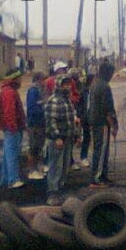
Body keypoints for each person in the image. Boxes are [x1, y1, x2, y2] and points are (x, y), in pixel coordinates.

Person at [44, 74, 78, 204]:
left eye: (68, 84)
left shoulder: (67, 100)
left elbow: (72, 119)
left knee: (65, 165)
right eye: (65, 84)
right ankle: (52, 193)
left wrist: (76, 135)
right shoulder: (53, 101)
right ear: (59, 85)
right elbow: (51, 121)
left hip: (68, 138)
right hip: (57, 139)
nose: (67, 87)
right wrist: (56, 137)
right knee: (55, 166)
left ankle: (60, 189)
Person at [87, 60, 118, 185]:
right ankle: (96, 178)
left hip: (95, 121)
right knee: (101, 150)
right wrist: (113, 125)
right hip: (102, 122)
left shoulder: (94, 84)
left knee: (100, 149)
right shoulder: (105, 86)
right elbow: (108, 109)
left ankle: (102, 175)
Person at [0, 68, 27, 188]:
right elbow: (9, 112)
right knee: (12, 153)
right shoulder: (9, 92)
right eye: (20, 78)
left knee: (8, 153)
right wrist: (13, 127)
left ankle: (5, 179)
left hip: (13, 127)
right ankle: (13, 179)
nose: (21, 80)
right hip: (12, 128)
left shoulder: (9, 91)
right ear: (14, 79)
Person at [25, 72, 47, 179]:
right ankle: (31, 170)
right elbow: (32, 108)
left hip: (41, 123)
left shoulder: (41, 91)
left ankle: (37, 169)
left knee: (39, 147)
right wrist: (43, 111)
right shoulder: (33, 91)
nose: (45, 82)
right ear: (38, 80)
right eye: (43, 79)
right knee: (33, 147)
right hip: (34, 124)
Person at [77, 72, 94, 169]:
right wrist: (80, 116)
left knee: (88, 138)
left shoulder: (93, 91)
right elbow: (80, 105)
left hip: (91, 118)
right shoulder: (84, 92)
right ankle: (83, 157)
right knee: (84, 138)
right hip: (85, 118)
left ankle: (85, 156)